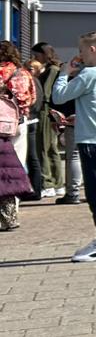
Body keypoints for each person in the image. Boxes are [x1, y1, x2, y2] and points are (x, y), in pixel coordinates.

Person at [51, 32, 96, 262]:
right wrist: (81, 118)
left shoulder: (88, 75)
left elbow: (59, 96)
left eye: (81, 50)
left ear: (92, 49)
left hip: (92, 140)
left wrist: (64, 73)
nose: (79, 55)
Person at [0, 41, 36, 231]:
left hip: (1, 125)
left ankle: (4, 213)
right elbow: (33, 97)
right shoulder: (23, 73)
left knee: (3, 168)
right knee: (17, 165)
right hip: (20, 122)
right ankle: (14, 208)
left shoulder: (1, 72)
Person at [30, 44, 66, 199]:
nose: (34, 58)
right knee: (51, 148)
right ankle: (58, 183)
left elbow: (45, 93)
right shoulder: (54, 68)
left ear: (43, 54)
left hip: (44, 111)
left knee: (43, 148)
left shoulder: (51, 70)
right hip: (49, 111)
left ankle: (47, 183)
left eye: (36, 55)